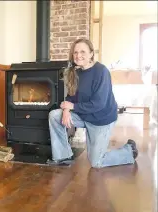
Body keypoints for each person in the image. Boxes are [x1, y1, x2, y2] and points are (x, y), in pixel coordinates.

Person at [47, 38, 138, 168]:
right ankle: (63, 156)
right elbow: (70, 97)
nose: (78, 55)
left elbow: (99, 104)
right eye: (75, 52)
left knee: (96, 162)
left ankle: (129, 151)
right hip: (83, 115)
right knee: (55, 115)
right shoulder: (76, 73)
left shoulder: (101, 71)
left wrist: (71, 106)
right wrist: (66, 110)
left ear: (91, 54)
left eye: (83, 52)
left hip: (100, 119)